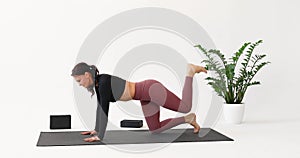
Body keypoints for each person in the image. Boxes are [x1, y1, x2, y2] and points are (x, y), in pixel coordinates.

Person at [71, 62, 207, 142]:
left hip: (151, 89)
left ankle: (190, 72)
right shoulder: (98, 84)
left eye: (79, 80)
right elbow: (99, 107)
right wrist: (96, 129)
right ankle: (188, 119)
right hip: (144, 97)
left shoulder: (104, 82)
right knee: (155, 129)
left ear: (87, 75)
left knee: (185, 106)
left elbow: (104, 109)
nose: (79, 84)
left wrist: (100, 136)